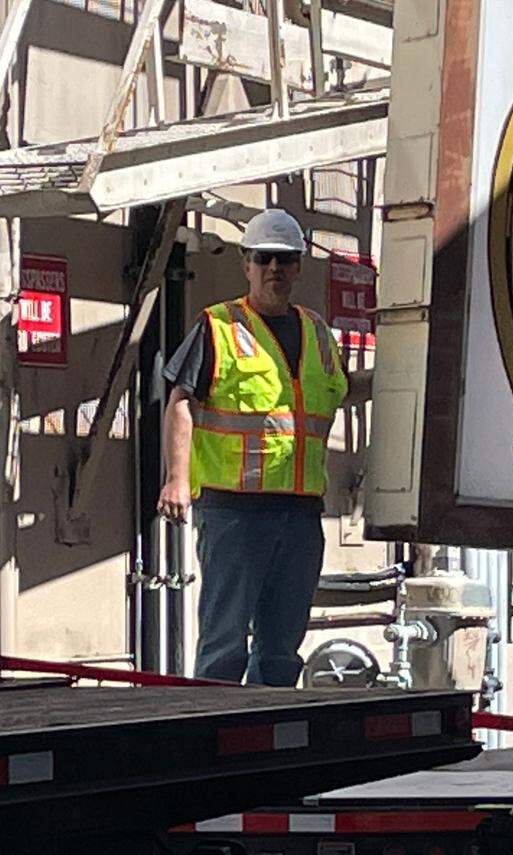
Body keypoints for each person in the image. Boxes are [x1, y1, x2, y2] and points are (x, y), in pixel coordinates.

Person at [158, 208, 368, 686]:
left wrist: (405, 370)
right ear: (246, 264)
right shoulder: (219, 326)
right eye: (264, 258)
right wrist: (176, 478)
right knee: (225, 641)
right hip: (234, 510)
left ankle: (269, 722)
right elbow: (181, 401)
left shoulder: (317, 331)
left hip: (300, 512)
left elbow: (343, 390)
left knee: (282, 647)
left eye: (285, 259)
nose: (275, 268)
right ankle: (217, 722)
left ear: (298, 266)